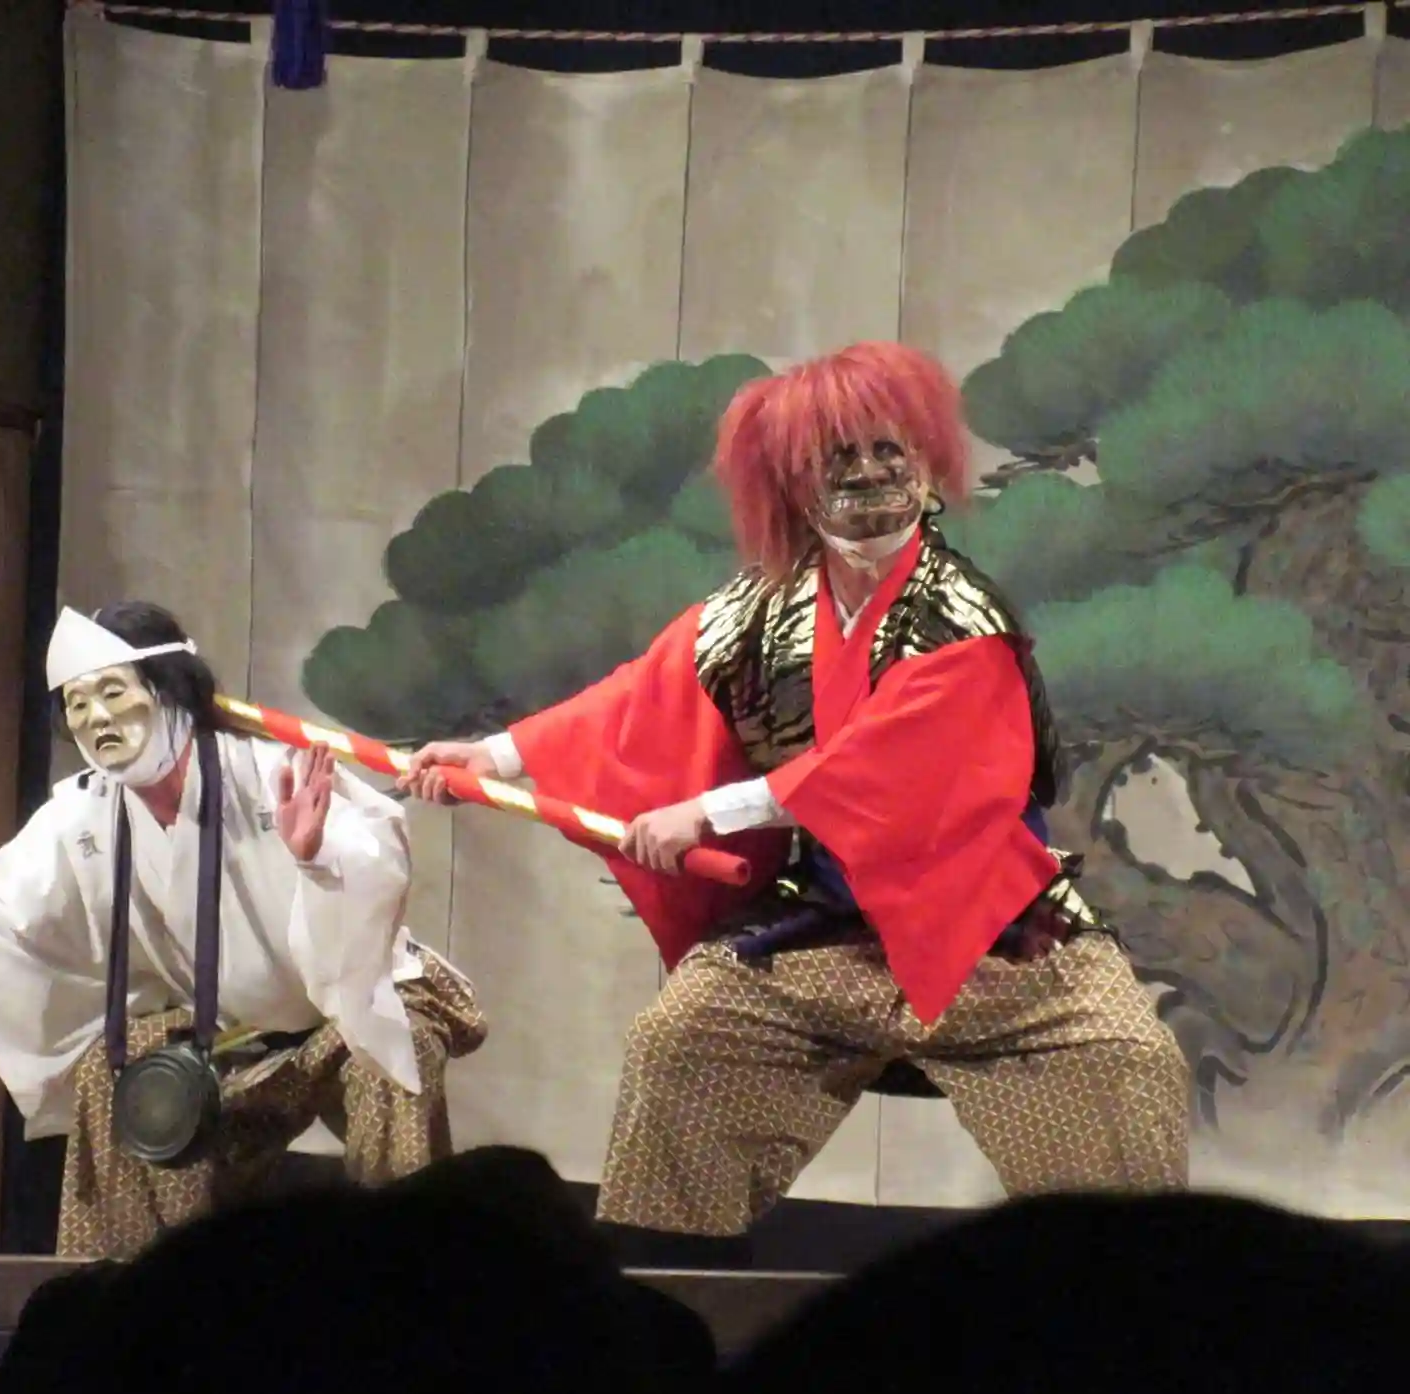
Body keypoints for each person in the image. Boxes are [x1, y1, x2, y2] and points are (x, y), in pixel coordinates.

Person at [402, 340, 1189, 1265]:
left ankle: (1138, 1299)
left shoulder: (963, 616)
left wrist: (711, 813)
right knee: (682, 1041)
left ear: (925, 459)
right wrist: (496, 754)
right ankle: (673, 1284)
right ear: (793, 484)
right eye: (837, 456)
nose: (869, 474)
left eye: (888, 449)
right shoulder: (765, 605)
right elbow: (645, 691)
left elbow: (889, 766)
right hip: (823, 929)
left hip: (991, 934)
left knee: (1128, 1061)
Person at [0, 601, 486, 1259]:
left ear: (169, 689)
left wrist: (317, 856)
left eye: (113, 692)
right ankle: (130, 1292)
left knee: (398, 1051)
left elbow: (376, 853)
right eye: (78, 704)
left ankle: (401, 1286)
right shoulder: (84, 813)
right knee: (114, 1073)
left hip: (346, 1018)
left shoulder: (269, 771)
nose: (97, 718)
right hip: (233, 1039)